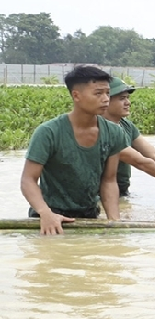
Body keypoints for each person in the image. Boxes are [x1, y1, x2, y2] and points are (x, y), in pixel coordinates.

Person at [20, 66, 127, 235]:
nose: (106, 99)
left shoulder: (114, 132)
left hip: (88, 216)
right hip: (50, 217)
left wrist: (115, 221)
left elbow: (109, 181)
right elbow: (28, 180)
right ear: (76, 95)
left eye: (107, 93)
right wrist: (45, 212)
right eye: (98, 93)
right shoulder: (48, 132)